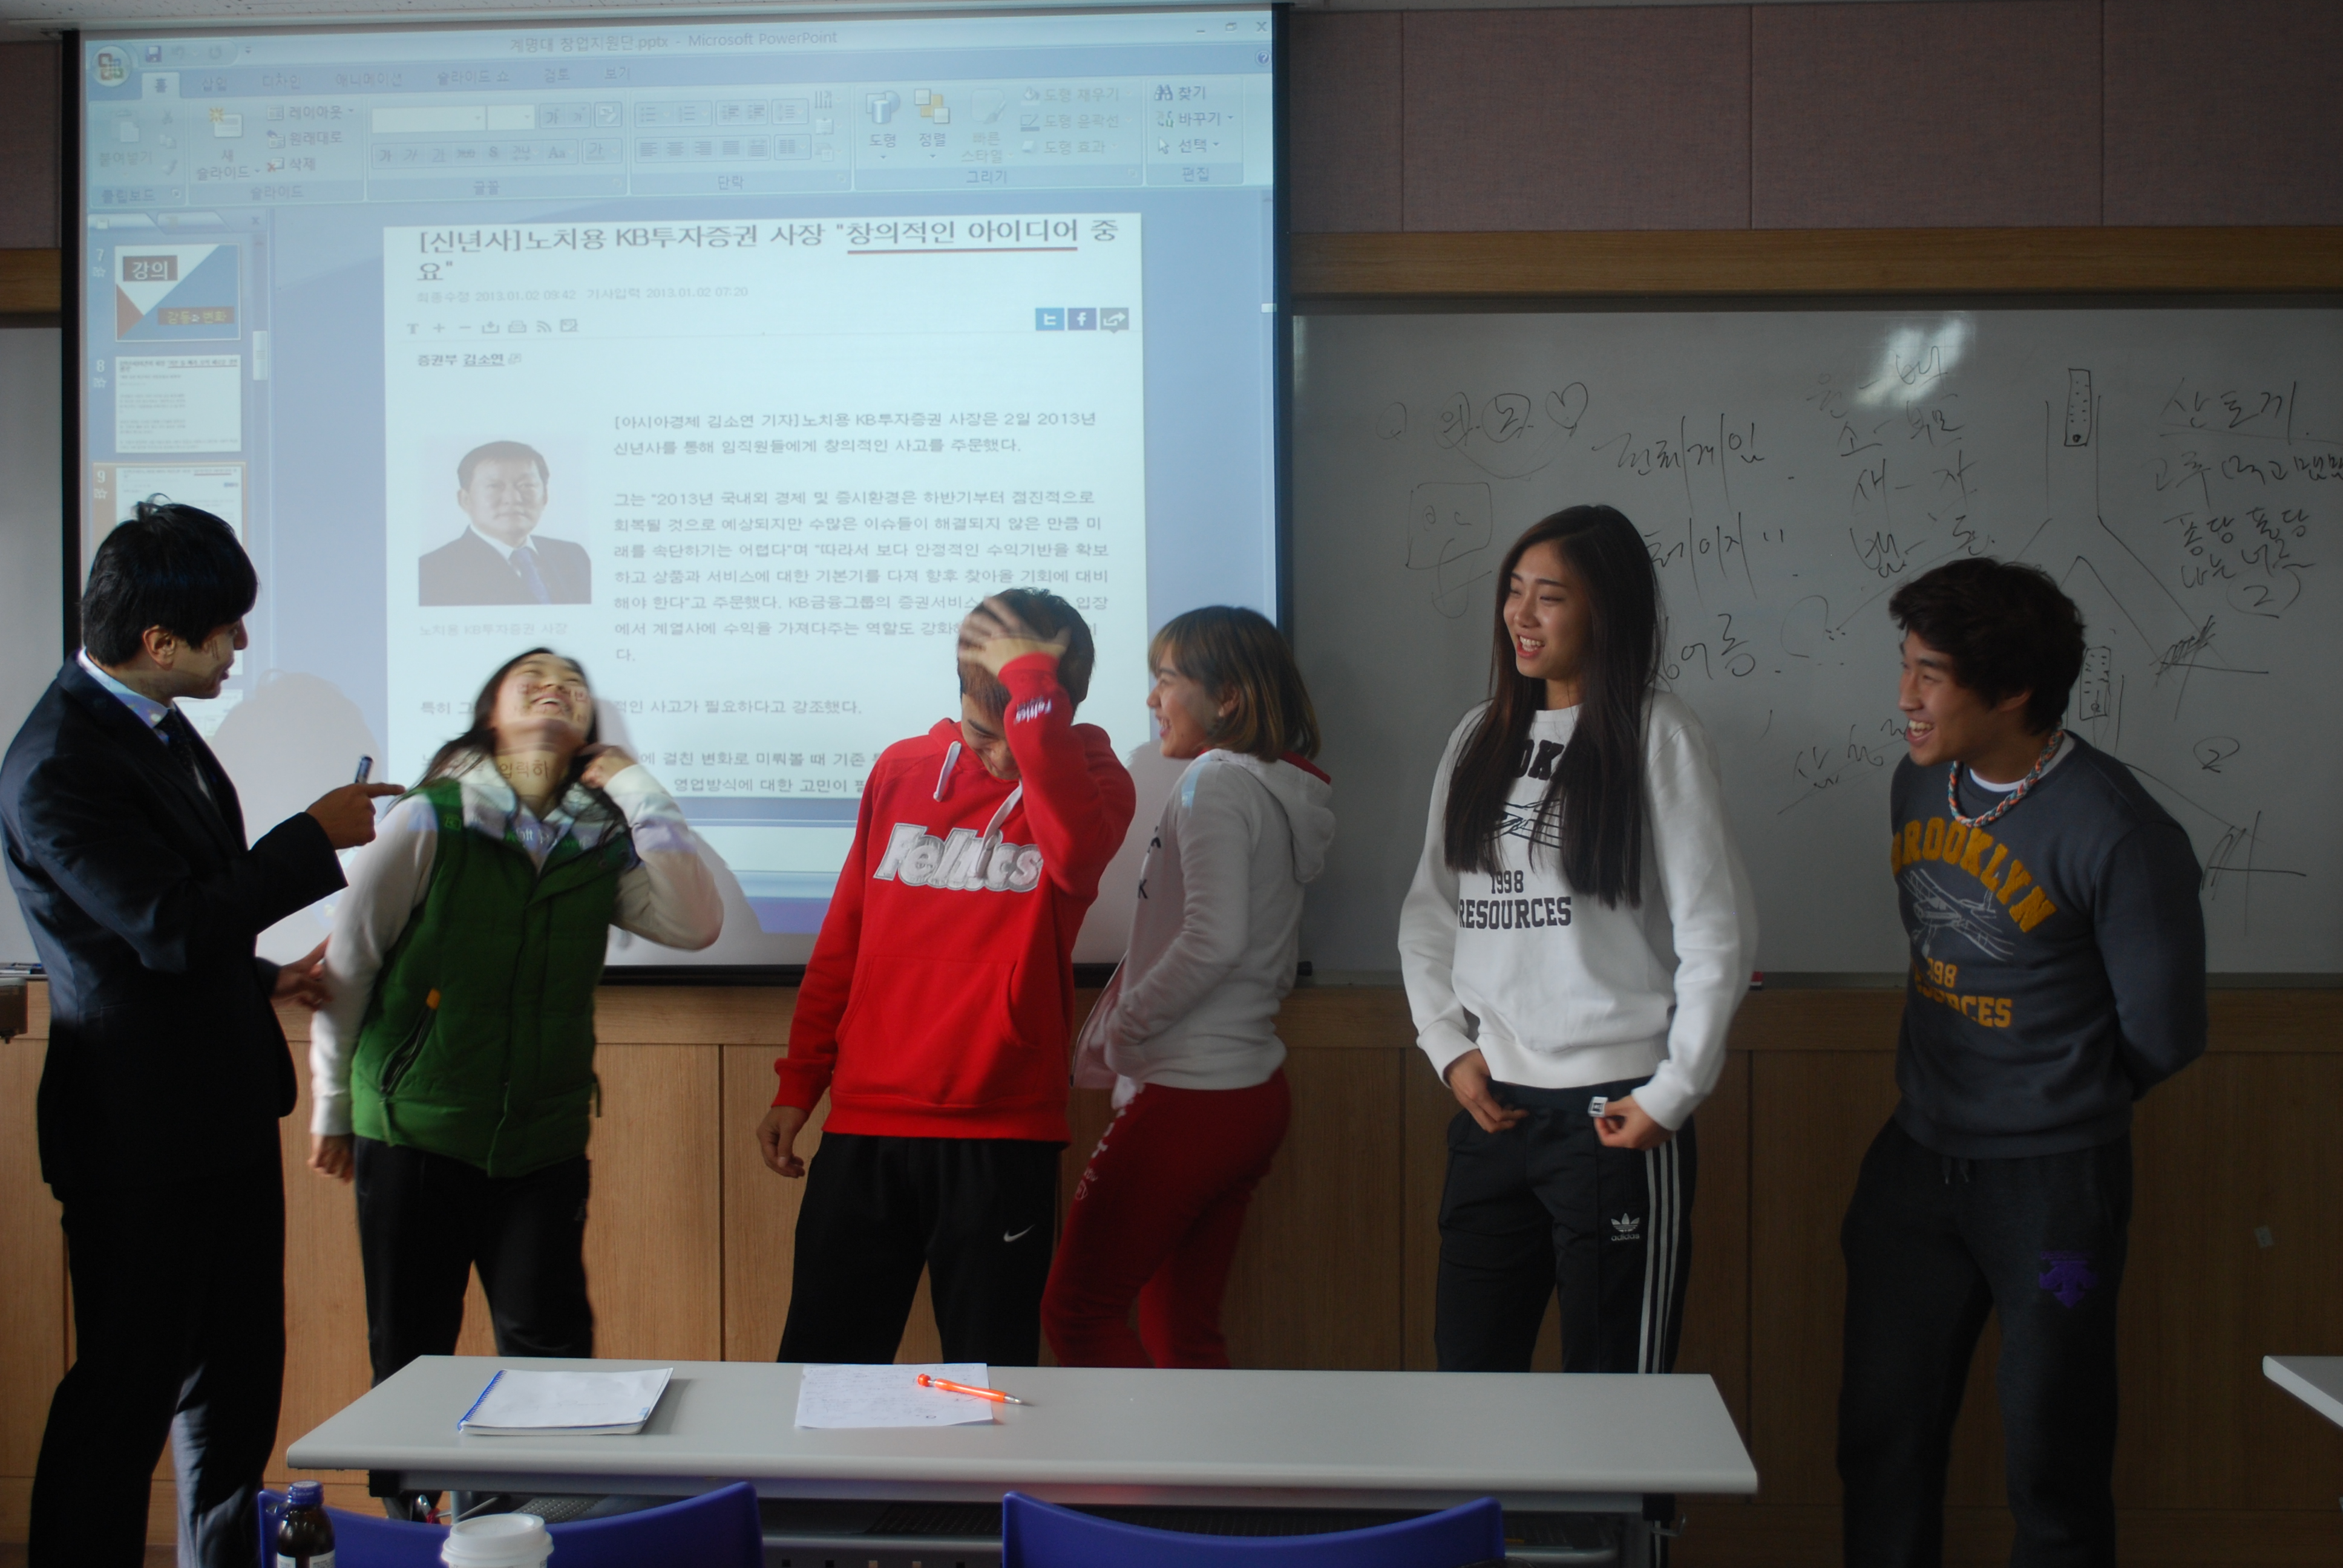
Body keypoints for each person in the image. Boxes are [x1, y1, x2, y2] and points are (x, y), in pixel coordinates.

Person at [0, 502, 398, 1568]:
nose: (242, 646)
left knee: (237, 1384)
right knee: (125, 1397)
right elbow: (167, 924)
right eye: (225, 629)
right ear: (158, 641)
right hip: (135, 1133)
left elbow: (151, 923)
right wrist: (311, 838)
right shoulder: (57, 762)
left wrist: (270, 976)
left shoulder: (162, 725)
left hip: (219, 1112)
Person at [1839, 558, 2205, 1567]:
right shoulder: (1919, 780)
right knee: (1881, 1438)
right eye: (1905, 666)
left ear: (2010, 691)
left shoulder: (2119, 830)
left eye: (1930, 675)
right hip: (1917, 1158)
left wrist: (2052, 1098)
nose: (1905, 697)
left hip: (2053, 1185)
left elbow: (2166, 1031)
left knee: (2053, 1455)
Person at [306, 649, 721, 1408]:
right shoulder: (429, 816)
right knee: (408, 1364)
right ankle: (410, 1493)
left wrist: (636, 787)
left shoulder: (595, 837)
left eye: (572, 685)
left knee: (554, 1366)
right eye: (532, 680)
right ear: (490, 715)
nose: (555, 688)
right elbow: (350, 964)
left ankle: (541, 1492)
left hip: (543, 1140)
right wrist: (331, 1107)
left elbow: (694, 924)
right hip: (412, 1131)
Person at [1398, 505, 1757, 1376]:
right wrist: (1447, 1046)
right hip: (1494, 1108)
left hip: (1614, 1114)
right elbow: (1430, 911)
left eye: (1550, 597)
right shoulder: (1478, 735)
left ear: (1606, 610)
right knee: (1469, 1379)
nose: (1521, 615)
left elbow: (1717, 931)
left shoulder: (1656, 732)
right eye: (1514, 591)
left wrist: (1674, 1090)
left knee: (1616, 1394)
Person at [758, 590, 1136, 1366]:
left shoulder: (1092, 780)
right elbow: (844, 940)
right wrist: (800, 1082)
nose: (997, 759)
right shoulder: (901, 770)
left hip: (1001, 1132)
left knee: (989, 1379)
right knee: (821, 1371)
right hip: (866, 1122)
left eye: (1017, 736)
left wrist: (1032, 708)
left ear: (1051, 707)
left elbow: (1074, 859)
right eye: (978, 734)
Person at [1043, 606, 1335, 1368]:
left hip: (1192, 1093)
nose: (1151, 699)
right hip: (1244, 1094)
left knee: (1076, 1312)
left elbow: (1213, 938)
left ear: (1227, 697)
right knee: (1182, 1330)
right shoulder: (1266, 787)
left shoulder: (1216, 782)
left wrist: (1125, 1029)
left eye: (1166, 680)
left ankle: (1139, 1458)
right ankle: (1193, 1456)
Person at [418, 441, 591, 606]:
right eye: (494, 486)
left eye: (526, 485)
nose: (513, 498)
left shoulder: (574, 556)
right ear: (465, 499)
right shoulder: (432, 571)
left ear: (545, 496)